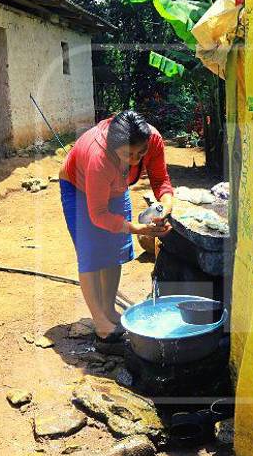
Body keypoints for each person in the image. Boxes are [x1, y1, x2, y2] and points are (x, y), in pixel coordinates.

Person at [59, 110, 173, 342]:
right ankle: (100, 322)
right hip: (78, 186)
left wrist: (164, 210)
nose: (135, 160)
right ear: (113, 147)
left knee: (114, 248)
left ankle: (109, 309)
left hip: (115, 185)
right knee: (91, 252)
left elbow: (161, 180)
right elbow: (99, 215)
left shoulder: (152, 140)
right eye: (128, 154)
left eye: (140, 153)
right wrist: (137, 229)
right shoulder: (99, 157)